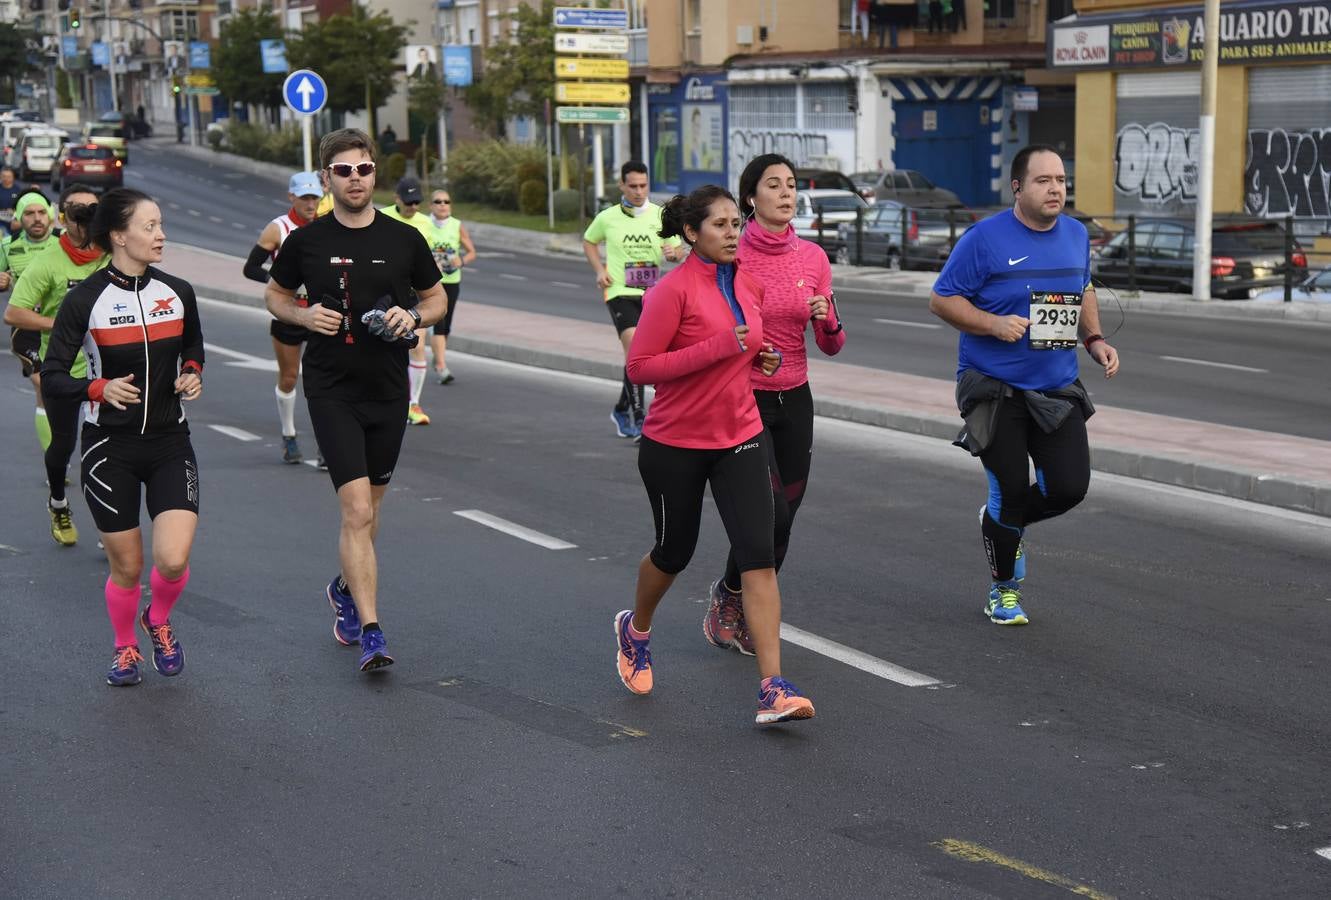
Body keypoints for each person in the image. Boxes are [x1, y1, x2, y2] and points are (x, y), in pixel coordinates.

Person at [614, 184, 815, 726]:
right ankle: (636, 630)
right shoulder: (671, 291)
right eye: (721, 225)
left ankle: (773, 687)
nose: (732, 233)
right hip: (675, 443)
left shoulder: (747, 282)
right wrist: (720, 347)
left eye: (735, 223)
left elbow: (745, 346)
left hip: (740, 435)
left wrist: (760, 358)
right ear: (691, 232)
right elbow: (641, 368)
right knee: (673, 552)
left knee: (759, 556)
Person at [265, 128, 445, 672]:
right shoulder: (306, 242)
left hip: (387, 388)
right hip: (332, 387)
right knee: (357, 509)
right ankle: (371, 630)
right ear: (327, 178)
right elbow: (275, 294)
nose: (355, 179)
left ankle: (344, 586)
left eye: (363, 169)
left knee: (373, 511)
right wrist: (302, 316)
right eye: (343, 171)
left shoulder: (403, 238)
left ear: (374, 173)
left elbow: (436, 298)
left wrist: (412, 316)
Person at [928, 144, 1120, 626]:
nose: (1056, 189)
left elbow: (1083, 288)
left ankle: (1000, 523)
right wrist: (993, 324)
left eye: (1061, 180)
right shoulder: (984, 239)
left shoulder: (1076, 234)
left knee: (1069, 488)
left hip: (1056, 386)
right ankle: (1004, 590)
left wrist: (1094, 339)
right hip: (994, 388)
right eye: (1043, 180)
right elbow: (942, 299)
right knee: (1010, 488)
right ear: (1017, 187)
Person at [42, 188, 205, 686]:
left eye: (161, 225)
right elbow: (53, 376)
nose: (161, 235)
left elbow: (193, 345)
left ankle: (157, 619)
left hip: (170, 441)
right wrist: (98, 387)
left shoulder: (178, 291)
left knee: (173, 561)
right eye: (150, 227)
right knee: (128, 567)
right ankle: (124, 646)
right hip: (109, 447)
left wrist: (192, 372)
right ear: (118, 235)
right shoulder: (84, 300)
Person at [702, 154, 846, 656]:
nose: (786, 194)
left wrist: (827, 317)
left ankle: (740, 602)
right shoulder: (731, 255)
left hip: (795, 398)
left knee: (788, 514)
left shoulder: (813, 258)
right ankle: (732, 595)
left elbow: (832, 344)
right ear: (751, 197)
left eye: (791, 185)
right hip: (744, 398)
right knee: (770, 514)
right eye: (773, 185)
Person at [4, 184, 109, 547]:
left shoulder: (114, 255)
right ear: (63, 218)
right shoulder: (48, 261)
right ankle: (58, 503)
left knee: (108, 448)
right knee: (63, 446)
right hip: (63, 369)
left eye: (93, 211)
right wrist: (62, 325)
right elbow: (13, 313)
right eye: (78, 212)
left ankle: (110, 524)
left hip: (108, 370)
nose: (86, 219)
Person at [582, 161, 683, 440]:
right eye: (633, 186)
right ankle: (639, 419)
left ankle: (620, 409)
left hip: (651, 294)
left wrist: (674, 254)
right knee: (636, 347)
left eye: (643, 185)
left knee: (642, 356)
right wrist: (599, 270)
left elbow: (677, 250)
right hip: (619, 291)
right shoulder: (608, 217)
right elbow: (589, 241)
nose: (639, 191)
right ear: (622, 186)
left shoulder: (660, 215)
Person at [242, 171, 325, 466]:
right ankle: (289, 434)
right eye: (304, 198)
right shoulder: (278, 228)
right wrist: (280, 282)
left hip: (321, 313)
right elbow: (250, 267)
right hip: (289, 313)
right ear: (292, 197)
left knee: (322, 380)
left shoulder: (328, 226)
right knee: (289, 377)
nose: (310, 204)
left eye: (315, 197)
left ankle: (326, 444)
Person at [3, 192, 58, 452]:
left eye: (41, 212)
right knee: (43, 386)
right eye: (29, 213)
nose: (36, 218)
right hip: (28, 328)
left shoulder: (66, 242)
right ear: (18, 218)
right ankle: (54, 459)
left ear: (50, 214)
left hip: (65, 327)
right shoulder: (7, 245)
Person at [379, 175, 435, 424]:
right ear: (397, 199)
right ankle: (387, 398)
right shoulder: (382, 217)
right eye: (408, 202)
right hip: (384, 293)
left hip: (413, 294)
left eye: (417, 202)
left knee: (417, 346)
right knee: (384, 349)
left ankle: (413, 404)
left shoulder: (426, 223)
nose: (413, 207)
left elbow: (428, 261)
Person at [424, 189, 476, 384]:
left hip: (452, 281)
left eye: (446, 201)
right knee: (438, 322)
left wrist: (461, 261)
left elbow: (472, 252)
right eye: (438, 201)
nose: (443, 205)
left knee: (446, 325)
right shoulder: (424, 224)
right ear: (431, 205)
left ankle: (438, 358)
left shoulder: (457, 225)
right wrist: (429, 264)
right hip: (431, 283)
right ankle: (441, 366)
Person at [1, 165, 27, 236]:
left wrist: (14, 212)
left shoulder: (18, 191)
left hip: (15, 223)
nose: (6, 179)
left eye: (9, 176)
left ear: (13, 177)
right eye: (4, 176)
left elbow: (24, 208)